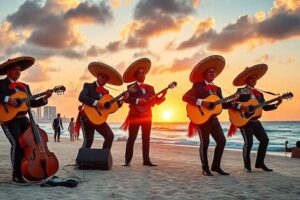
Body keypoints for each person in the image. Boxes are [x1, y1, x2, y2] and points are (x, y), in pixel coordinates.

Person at [0, 56, 52, 183]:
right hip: (8, 119)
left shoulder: (25, 86)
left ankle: (27, 169)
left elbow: (32, 103)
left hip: (24, 119)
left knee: (30, 143)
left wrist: (45, 98)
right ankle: (16, 175)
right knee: (17, 144)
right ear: (7, 71)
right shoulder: (1, 83)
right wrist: (8, 99)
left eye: (19, 70)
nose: (18, 72)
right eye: (15, 69)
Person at [182, 55, 235, 176]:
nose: (212, 73)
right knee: (205, 142)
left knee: (221, 141)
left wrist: (232, 101)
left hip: (213, 119)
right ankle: (205, 168)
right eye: (210, 72)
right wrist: (202, 102)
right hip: (201, 118)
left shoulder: (218, 89)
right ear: (205, 74)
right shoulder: (198, 86)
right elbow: (185, 97)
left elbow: (222, 105)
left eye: (213, 72)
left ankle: (216, 166)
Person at [231, 64, 282, 172]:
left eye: (255, 78)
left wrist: (277, 104)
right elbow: (231, 104)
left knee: (265, 140)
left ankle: (260, 163)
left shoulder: (259, 94)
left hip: (255, 121)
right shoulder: (240, 91)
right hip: (244, 121)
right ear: (247, 80)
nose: (254, 80)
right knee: (249, 143)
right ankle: (247, 166)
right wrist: (243, 107)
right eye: (252, 78)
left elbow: (265, 107)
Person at [122, 58, 167, 167]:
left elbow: (155, 102)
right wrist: (137, 100)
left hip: (147, 116)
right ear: (136, 76)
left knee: (146, 138)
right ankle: (127, 161)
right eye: (140, 73)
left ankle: (146, 161)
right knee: (132, 138)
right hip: (134, 115)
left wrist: (163, 95)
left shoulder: (150, 88)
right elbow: (126, 99)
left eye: (143, 73)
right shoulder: (130, 87)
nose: (142, 75)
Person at [78, 62, 127, 149]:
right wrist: (97, 103)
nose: (104, 80)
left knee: (110, 136)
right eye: (102, 77)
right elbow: (81, 97)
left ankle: (104, 158)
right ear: (97, 76)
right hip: (87, 117)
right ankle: (80, 162)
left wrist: (122, 100)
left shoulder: (106, 93)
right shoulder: (88, 86)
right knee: (88, 141)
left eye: (106, 79)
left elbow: (109, 108)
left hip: (99, 119)